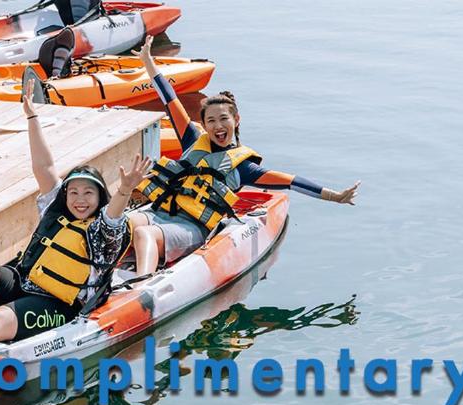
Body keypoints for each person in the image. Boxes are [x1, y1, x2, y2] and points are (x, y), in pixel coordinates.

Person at [0, 80, 152, 357]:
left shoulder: (103, 234)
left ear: (100, 197)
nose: (80, 199)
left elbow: (114, 215)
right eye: (74, 192)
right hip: (24, 282)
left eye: (89, 193)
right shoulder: (57, 213)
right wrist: (32, 117)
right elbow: (44, 167)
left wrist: (126, 189)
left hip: (59, 306)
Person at [127, 36, 360, 276]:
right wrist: (148, 62)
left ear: (236, 120)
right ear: (204, 125)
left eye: (223, 119)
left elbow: (291, 181)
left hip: (192, 227)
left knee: (144, 234)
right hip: (158, 210)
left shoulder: (243, 168)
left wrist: (335, 196)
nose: (218, 126)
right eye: (211, 120)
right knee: (126, 224)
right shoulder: (191, 140)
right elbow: (170, 99)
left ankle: (141, 284)